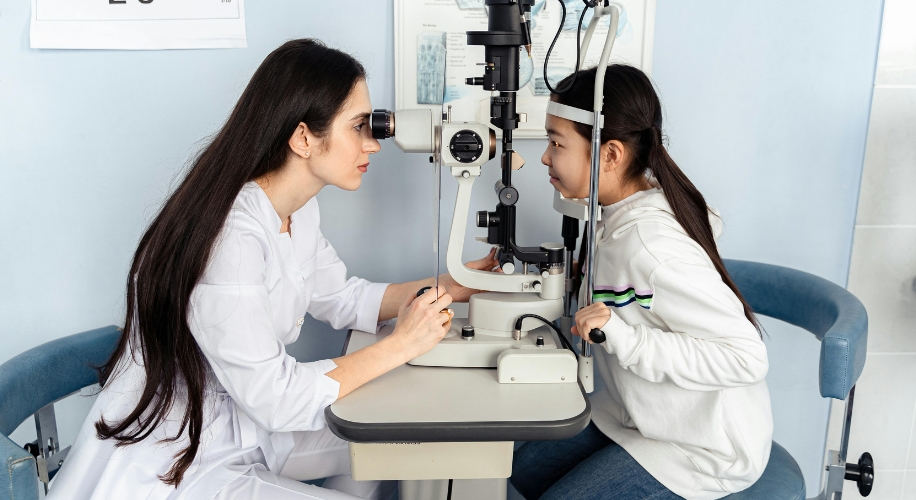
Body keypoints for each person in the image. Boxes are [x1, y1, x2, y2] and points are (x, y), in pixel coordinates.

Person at [48, 39, 498, 500]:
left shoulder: (295, 211)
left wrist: (455, 284)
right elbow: (278, 400)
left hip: (243, 426)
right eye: (360, 126)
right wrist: (401, 344)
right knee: (380, 428)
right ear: (303, 138)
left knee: (395, 435)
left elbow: (342, 297)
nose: (373, 144)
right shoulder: (230, 239)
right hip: (176, 464)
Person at [510, 65, 772, 500]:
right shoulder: (611, 220)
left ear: (610, 155)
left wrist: (623, 338)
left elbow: (745, 357)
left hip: (701, 449)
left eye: (556, 142)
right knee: (523, 473)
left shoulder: (651, 247)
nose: (544, 156)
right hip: (634, 414)